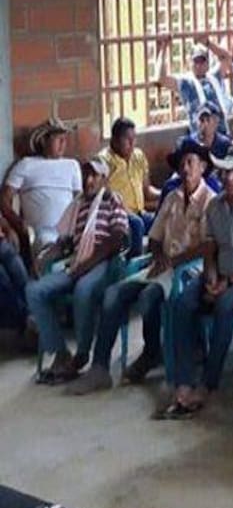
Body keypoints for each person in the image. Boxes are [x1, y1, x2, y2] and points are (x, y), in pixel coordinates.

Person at [67, 141, 214, 394]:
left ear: (202, 166)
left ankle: (151, 351)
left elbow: (207, 247)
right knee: (113, 294)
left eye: (190, 162)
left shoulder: (210, 201)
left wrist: (172, 262)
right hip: (161, 265)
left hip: (189, 269)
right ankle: (100, 368)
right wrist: (158, 257)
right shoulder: (172, 197)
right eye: (182, 163)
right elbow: (155, 237)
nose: (185, 168)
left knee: (148, 297)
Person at [158, 147, 233, 418]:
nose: (229, 179)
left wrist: (231, 281)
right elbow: (210, 250)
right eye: (225, 173)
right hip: (220, 274)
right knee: (182, 303)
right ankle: (184, 382)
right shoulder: (215, 206)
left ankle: (208, 383)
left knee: (224, 306)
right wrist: (212, 277)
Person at [25, 158, 129, 384]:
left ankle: (82, 355)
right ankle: (61, 354)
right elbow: (67, 241)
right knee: (34, 290)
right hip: (76, 262)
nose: (88, 180)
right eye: (85, 176)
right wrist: (46, 255)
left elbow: (117, 239)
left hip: (104, 263)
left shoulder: (113, 200)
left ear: (103, 179)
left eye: (93, 176)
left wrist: (86, 266)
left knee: (84, 289)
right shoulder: (78, 206)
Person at [2, 119, 82, 267]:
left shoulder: (72, 165)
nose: (63, 143)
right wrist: (17, 224)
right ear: (44, 141)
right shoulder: (26, 165)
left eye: (64, 139)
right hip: (44, 231)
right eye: (58, 139)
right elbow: (4, 199)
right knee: (48, 245)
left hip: (72, 230)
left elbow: (81, 199)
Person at [97, 117, 159, 256]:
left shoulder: (138, 156)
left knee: (161, 221)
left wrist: (166, 193)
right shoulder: (104, 161)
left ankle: (154, 260)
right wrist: (127, 212)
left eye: (134, 138)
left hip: (140, 213)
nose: (132, 143)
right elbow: (104, 198)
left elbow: (148, 191)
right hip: (118, 216)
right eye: (127, 139)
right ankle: (131, 265)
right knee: (137, 225)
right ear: (114, 140)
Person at [153, 33, 233, 135]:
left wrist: (208, 43)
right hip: (201, 136)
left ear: (208, 63)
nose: (199, 65)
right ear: (189, 63)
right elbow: (161, 78)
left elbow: (227, 57)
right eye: (196, 61)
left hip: (221, 132)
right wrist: (164, 48)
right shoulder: (186, 83)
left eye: (202, 61)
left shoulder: (214, 77)